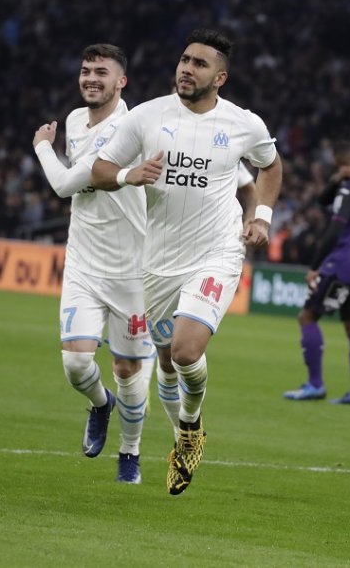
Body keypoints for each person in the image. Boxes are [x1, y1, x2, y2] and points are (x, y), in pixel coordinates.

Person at [91, 28, 283, 495]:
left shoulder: (243, 124)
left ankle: (190, 429)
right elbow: (100, 171)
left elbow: (270, 166)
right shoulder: (146, 117)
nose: (185, 68)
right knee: (167, 361)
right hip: (156, 260)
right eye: (183, 59)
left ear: (220, 76)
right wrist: (128, 174)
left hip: (217, 251)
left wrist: (261, 217)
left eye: (198, 63)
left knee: (185, 350)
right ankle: (182, 420)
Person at [32, 43, 154, 484]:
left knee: (128, 369)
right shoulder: (75, 120)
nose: (91, 79)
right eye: (86, 71)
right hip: (84, 262)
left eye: (101, 72)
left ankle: (131, 452)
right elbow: (81, 189)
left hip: (134, 272)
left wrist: (42, 147)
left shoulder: (131, 127)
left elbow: (66, 183)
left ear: (121, 82)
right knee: (77, 365)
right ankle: (102, 405)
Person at [283, 141, 350, 406]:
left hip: (343, 264)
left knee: (307, 316)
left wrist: (315, 265)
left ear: (338, 163)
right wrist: (338, 180)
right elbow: (323, 198)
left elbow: (335, 230)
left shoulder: (349, 191)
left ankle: (315, 384)